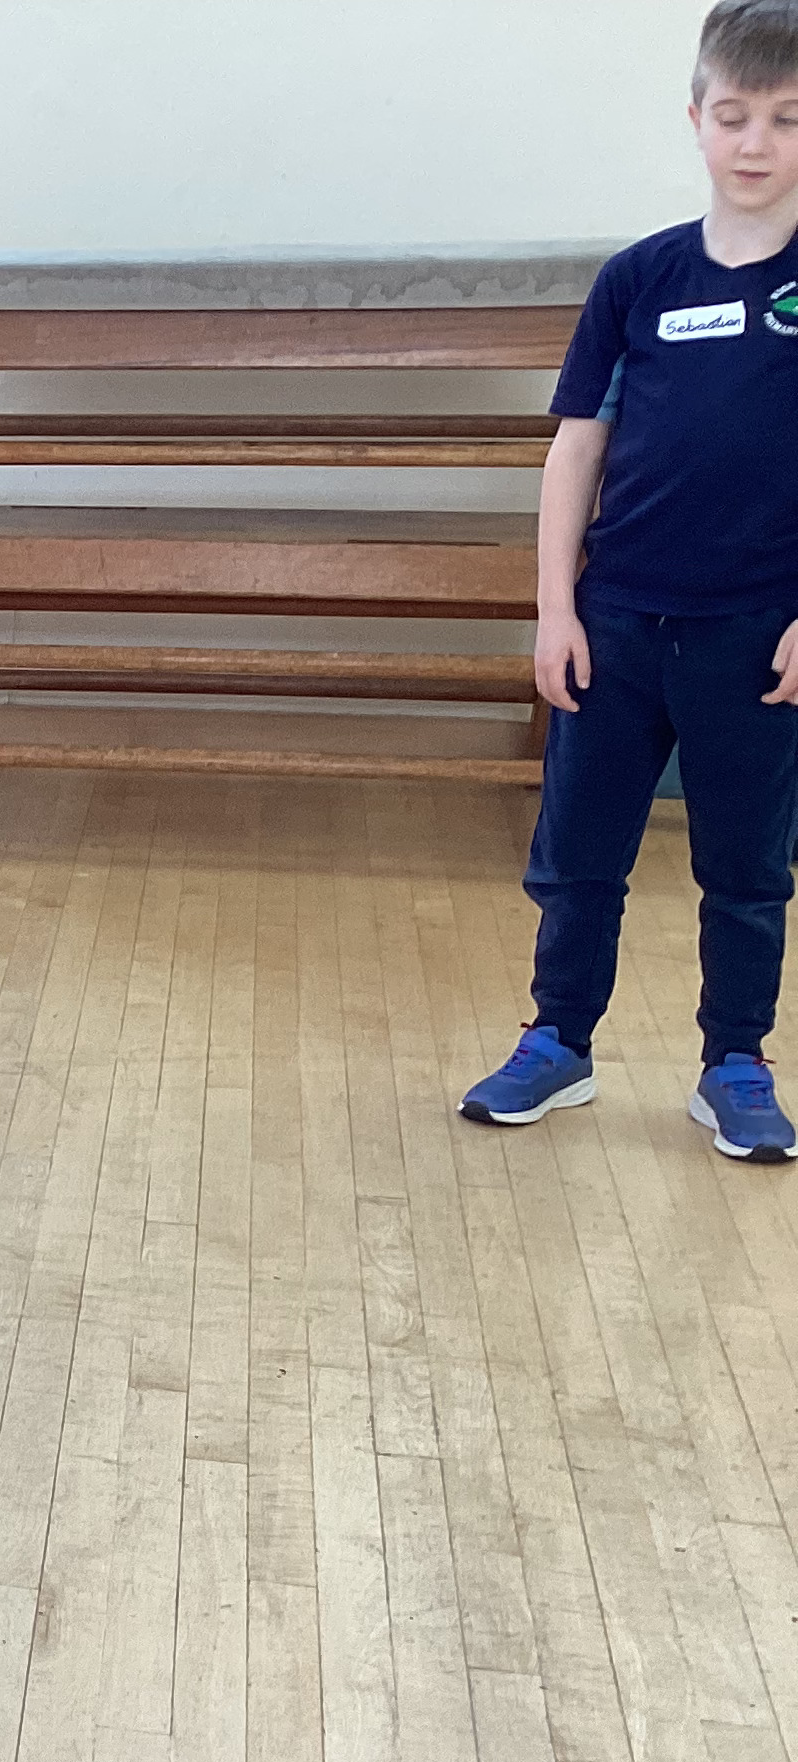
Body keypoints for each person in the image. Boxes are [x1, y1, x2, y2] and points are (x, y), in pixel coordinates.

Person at [460, 0, 798, 1161]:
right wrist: (556, 608)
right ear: (696, 119)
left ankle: (736, 1061)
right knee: (580, 856)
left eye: (787, 119)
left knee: (746, 866)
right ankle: (558, 1040)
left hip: (755, 636)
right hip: (615, 625)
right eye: (735, 115)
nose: (756, 142)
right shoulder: (639, 279)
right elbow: (576, 451)